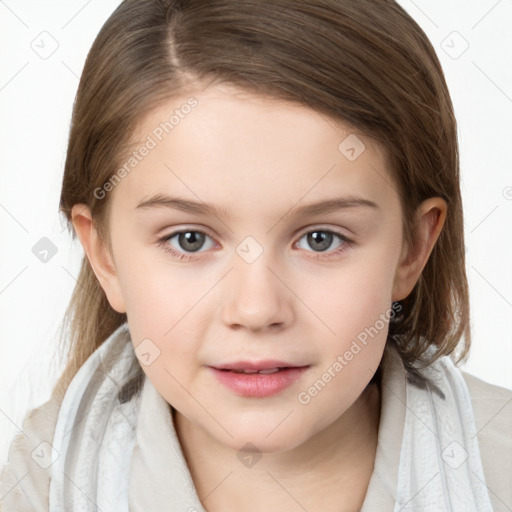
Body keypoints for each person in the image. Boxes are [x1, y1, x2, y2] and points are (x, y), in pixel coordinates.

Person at [0, 1, 510, 511]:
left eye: (321, 239)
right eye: (190, 240)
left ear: (413, 249)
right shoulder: (37, 489)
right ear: (104, 255)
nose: (256, 309)